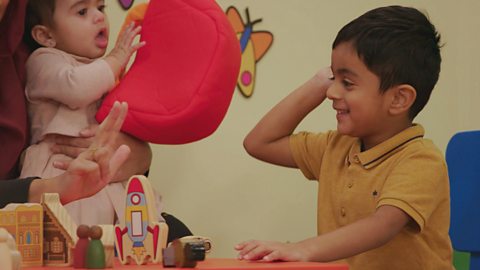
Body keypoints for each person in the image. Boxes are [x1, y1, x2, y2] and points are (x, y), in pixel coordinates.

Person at [235, 6, 452, 270]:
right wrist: (316, 83)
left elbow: (383, 225)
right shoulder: (335, 147)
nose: (332, 92)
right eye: (332, 78)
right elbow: (259, 143)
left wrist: (302, 249)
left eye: (347, 83)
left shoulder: (420, 159)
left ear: (398, 99)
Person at [18, 0, 152, 226]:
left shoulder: (102, 71)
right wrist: (116, 59)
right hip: (58, 170)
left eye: (100, 8)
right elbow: (75, 87)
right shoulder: (44, 60)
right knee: (71, 233)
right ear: (45, 36)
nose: (99, 17)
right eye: (82, 11)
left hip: (98, 170)